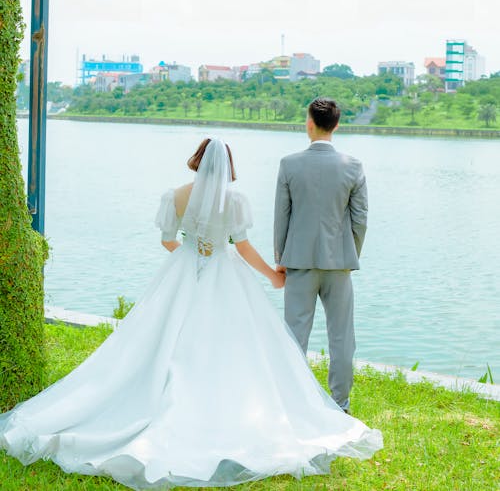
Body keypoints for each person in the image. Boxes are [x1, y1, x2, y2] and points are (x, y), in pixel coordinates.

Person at [0, 137, 381, 489]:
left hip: (183, 270)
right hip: (225, 270)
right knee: (236, 343)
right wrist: (272, 275)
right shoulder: (235, 201)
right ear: (227, 165)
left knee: (164, 338)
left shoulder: (176, 196)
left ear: (197, 162)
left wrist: (189, 257)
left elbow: (168, 240)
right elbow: (243, 247)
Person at [274, 98, 368, 413]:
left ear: (309, 123)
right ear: (337, 125)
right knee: (341, 336)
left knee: (294, 335)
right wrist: (349, 253)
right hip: (339, 262)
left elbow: (281, 217)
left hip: (299, 260)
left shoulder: (289, 164)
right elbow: (360, 219)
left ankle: (294, 401)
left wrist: (280, 257)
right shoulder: (353, 166)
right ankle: (341, 404)